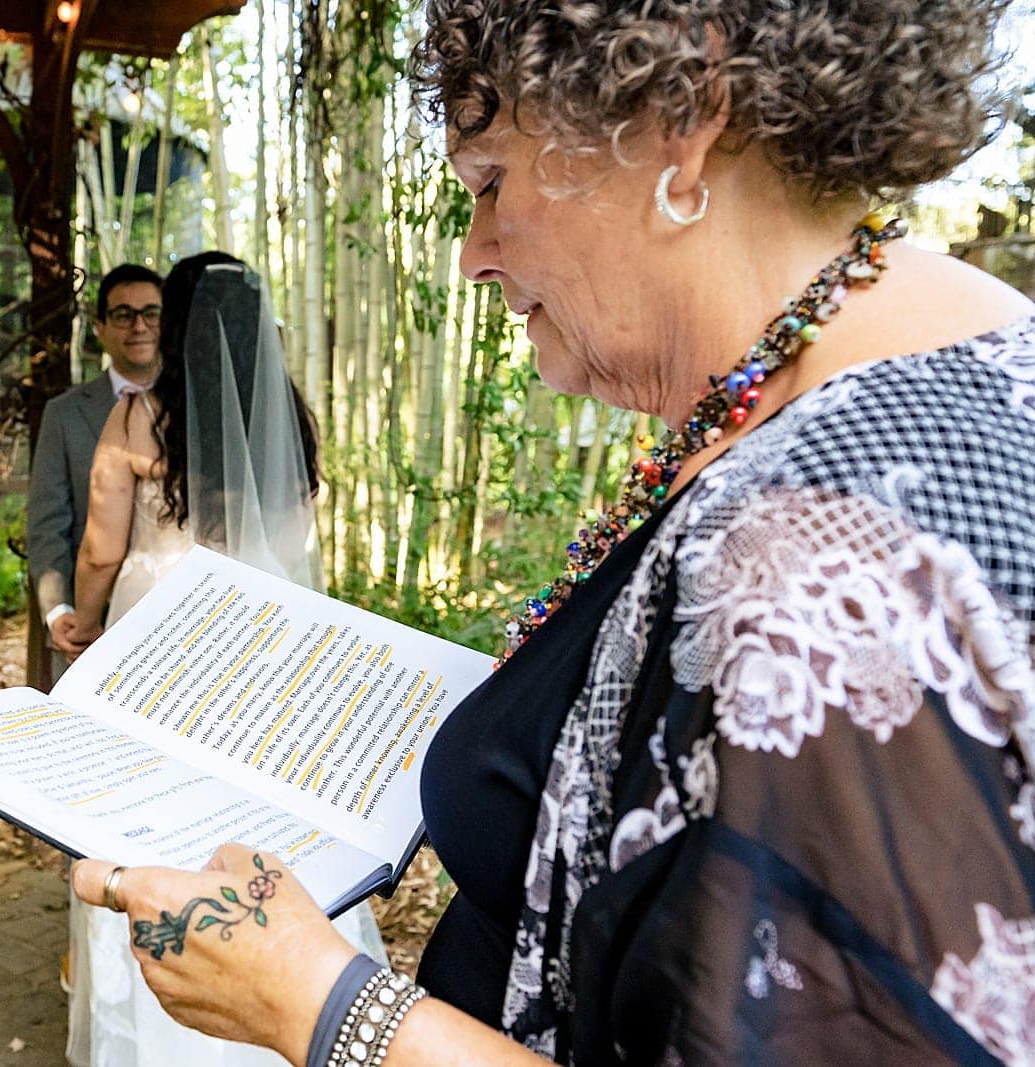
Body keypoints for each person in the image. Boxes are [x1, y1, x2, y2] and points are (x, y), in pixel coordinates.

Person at [71, 2, 1035, 1064]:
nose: (473, 256)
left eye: (490, 185)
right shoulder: (877, 374)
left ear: (680, 121)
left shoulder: (819, 556)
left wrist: (322, 1004)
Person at [61, 251, 386, 1066]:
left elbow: (101, 551)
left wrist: (86, 626)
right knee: (255, 833)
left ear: (175, 327)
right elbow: (293, 545)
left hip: (157, 651)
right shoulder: (295, 422)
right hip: (268, 653)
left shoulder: (141, 419)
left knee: (148, 832)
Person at [29, 263, 163, 682]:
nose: (139, 326)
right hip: (94, 625)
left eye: (151, 313)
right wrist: (60, 611)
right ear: (101, 327)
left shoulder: (198, 408)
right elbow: (47, 521)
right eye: (123, 315)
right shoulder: (64, 414)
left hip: (179, 620)